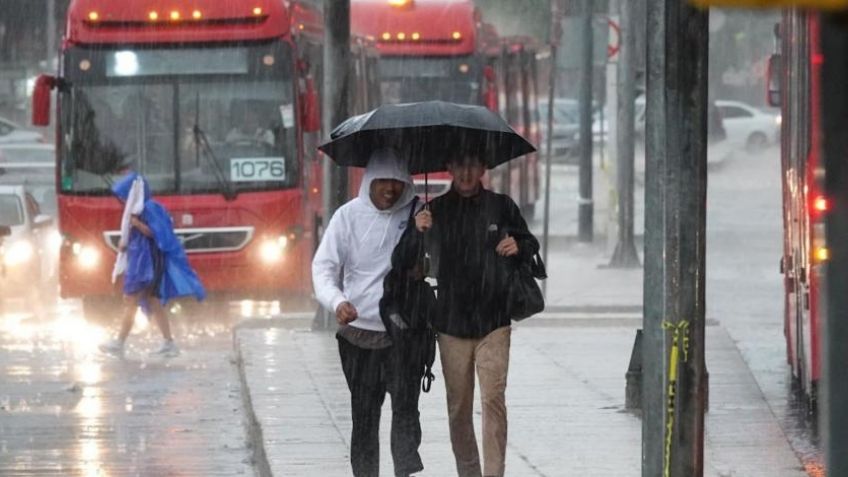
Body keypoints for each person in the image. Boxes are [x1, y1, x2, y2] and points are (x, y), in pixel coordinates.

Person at [396, 153, 539, 477]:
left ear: (483, 169)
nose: (465, 172)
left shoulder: (502, 206)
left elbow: (530, 244)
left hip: (494, 322)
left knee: (493, 401)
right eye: (458, 164)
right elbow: (408, 261)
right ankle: (469, 472)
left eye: (472, 165)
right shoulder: (435, 211)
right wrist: (418, 231)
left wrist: (519, 244)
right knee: (458, 409)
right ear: (448, 168)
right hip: (451, 324)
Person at [312, 148, 425, 477]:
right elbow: (324, 267)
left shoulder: (419, 216)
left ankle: (404, 471)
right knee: (364, 416)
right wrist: (337, 302)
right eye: (383, 181)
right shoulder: (347, 217)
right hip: (358, 336)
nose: (390, 188)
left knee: (406, 412)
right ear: (369, 181)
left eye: (397, 182)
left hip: (403, 335)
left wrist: (424, 243)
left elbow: (439, 264)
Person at [99, 173, 206, 357]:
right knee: (153, 301)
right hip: (142, 262)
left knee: (132, 300)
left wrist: (136, 224)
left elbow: (157, 233)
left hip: (149, 263)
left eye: (126, 196)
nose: (124, 201)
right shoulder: (138, 210)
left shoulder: (150, 208)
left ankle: (120, 342)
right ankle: (168, 342)